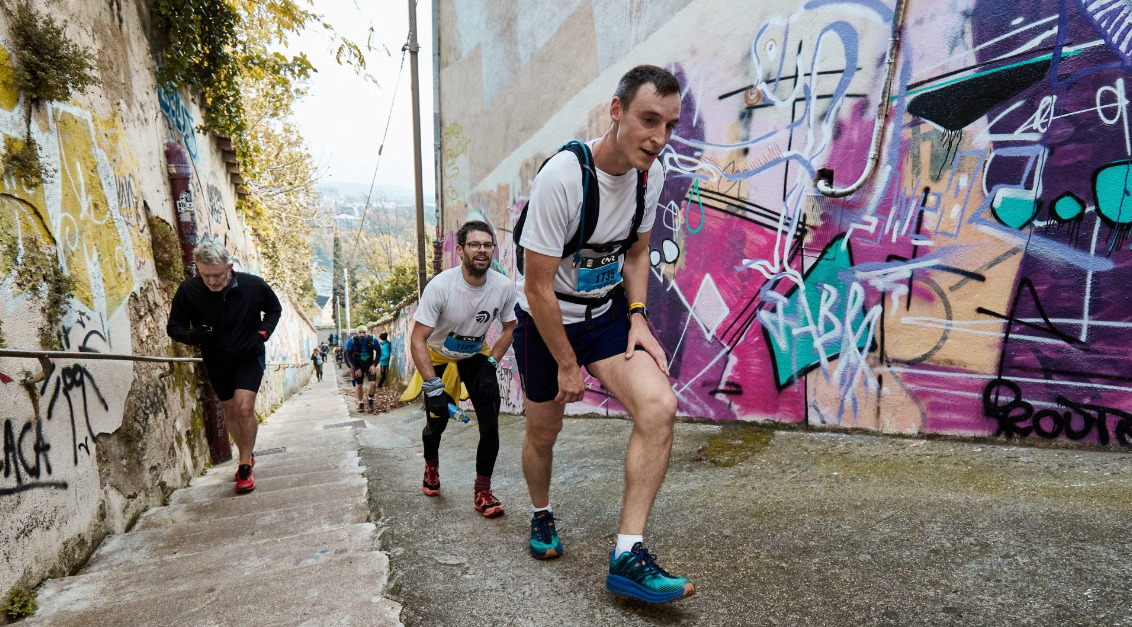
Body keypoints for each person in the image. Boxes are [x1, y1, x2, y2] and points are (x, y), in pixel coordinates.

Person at [513, 65, 693, 603]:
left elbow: (636, 250)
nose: (658, 138)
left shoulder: (648, 172)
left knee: (659, 405)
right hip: (547, 321)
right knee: (545, 433)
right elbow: (538, 287)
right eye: (647, 120)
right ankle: (542, 515)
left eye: (669, 125)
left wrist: (637, 314)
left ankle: (627, 555)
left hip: (606, 313)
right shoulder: (563, 179)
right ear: (615, 112)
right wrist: (568, 365)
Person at [405, 220, 516, 518]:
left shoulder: (503, 286)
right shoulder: (441, 286)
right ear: (461, 250)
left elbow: (508, 329)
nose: (482, 250)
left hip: (473, 353)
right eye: (474, 245)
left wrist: (491, 364)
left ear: (493, 249)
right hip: (437, 354)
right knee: (437, 421)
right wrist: (432, 385)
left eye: (487, 245)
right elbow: (418, 338)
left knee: (490, 420)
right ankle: (431, 466)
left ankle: (483, 491)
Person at [167, 243, 282, 495]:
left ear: (229, 268)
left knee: (244, 406)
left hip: (248, 355)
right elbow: (174, 328)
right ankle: (246, 454)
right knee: (229, 409)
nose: (212, 280)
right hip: (216, 359)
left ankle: (243, 466)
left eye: (217, 274)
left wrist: (261, 334)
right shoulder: (188, 291)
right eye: (205, 275)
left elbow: (274, 309)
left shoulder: (253, 285)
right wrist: (194, 335)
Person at [345, 326, 379, 411]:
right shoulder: (351, 341)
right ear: (357, 333)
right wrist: (355, 368)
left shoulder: (373, 340)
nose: (362, 334)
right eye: (360, 332)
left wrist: (374, 364)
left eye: (364, 332)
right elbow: (348, 355)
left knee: (373, 383)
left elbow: (379, 352)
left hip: (369, 364)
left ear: (366, 332)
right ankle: (360, 403)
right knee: (359, 385)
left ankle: (370, 399)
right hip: (358, 364)